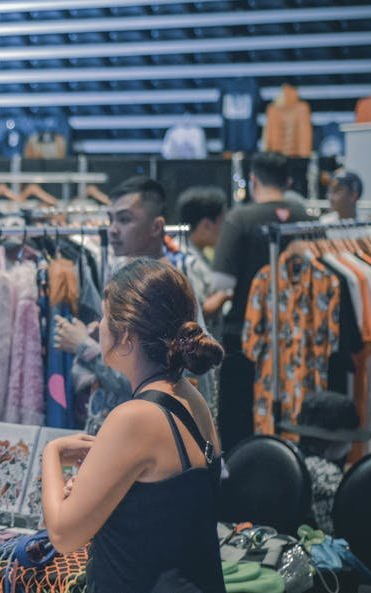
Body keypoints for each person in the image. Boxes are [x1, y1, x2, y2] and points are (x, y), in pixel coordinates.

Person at [44, 258, 224, 593]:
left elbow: (63, 535)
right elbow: (162, 511)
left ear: (125, 336)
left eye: (103, 317)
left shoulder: (134, 418)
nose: (97, 325)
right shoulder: (190, 397)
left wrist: (52, 455)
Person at [55, 177, 215, 433]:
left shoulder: (163, 285)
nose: (113, 230)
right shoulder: (129, 276)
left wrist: (84, 346)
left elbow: (164, 379)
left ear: (156, 226)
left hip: (144, 435)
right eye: (111, 220)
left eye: (125, 219)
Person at [213, 153, 312, 451]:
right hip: (296, 338)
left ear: (253, 180)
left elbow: (222, 285)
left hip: (246, 340)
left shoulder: (239, 219)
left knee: (240, 431)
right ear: (289, 182)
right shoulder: (305, 216)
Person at [279, 391, 371, 534]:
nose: (350, 446)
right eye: (346, 439)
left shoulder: (286, 459)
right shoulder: (327, 474)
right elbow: (341, 531)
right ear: (327, 441)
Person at [176, 186, 231, 320]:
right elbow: (199, 311)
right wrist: (227, 293)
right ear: (206, 225)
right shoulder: (186, 260)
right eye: (222, 222)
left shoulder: (195, 253)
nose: (225, 230)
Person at [320, 170, 371, 239]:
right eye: (330, 191)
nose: (330, 197)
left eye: (337, 191)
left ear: (353, 195)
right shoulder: (323, 224)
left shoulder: (369, 227)